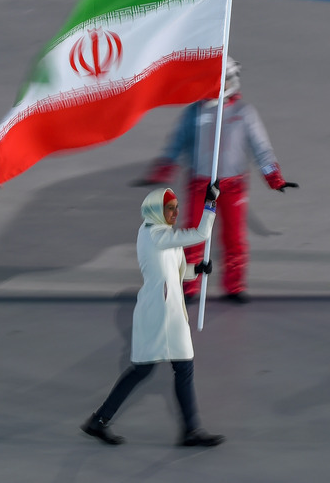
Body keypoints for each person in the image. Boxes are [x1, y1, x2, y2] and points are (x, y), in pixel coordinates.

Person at [134, 57, 297, 303]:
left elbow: (261, 147)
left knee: (234, 237)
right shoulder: (194, 112)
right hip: (201, 183)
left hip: (233, 185)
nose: (219, 85)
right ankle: (188, 286)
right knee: (194, 235)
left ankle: (235, 286)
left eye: (224, 79)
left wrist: (274, 178)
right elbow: (176, 143)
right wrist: (161, 170)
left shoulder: (244, 113)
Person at [81, 185, 225, 447]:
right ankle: (100, 420)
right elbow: (202, 233)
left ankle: (189, 429)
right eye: (169, 208)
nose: (175, 212)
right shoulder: (153, 233)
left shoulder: (162, 234)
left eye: (176, 207)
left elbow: (174, 272)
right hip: (158, 314)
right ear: (156, 211)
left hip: (169, 312)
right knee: (144, 370)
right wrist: (210, 204)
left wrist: (196, 269)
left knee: (177, 368)